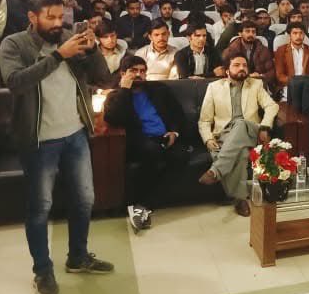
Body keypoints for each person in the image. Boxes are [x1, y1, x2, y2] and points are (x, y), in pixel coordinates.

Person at [0, 0, 115, 294]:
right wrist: (57, 56)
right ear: (32, 17)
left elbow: (104, 80)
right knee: (40, 208)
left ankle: (78, 257)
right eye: (49, 17)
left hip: (75, 133)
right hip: (38, 140)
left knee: (85, 199)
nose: (56, 23)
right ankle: (43, 271)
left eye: (60, 16)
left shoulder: (70, 37)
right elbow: (15, 82)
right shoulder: (15, 44)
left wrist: (92, 51)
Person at [103, 55, 188, 231]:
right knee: (152, 152)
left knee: (181, 156)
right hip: (139, 140)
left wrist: (175, 132)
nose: (139, 75)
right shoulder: (116, 96)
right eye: (134, 71)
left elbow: (178, 114)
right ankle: (139, 204)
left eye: (142, 71)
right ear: (123, 73)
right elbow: (113, 119)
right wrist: (125, 91)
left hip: (164, 137)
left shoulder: (159, 89)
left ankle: (143, 204)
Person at [197, 53, 280, 216]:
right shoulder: (214, 88)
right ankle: (240, 199)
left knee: (241, 123)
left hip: (250, 130)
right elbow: (204, 120)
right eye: (236, 65)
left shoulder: (256, 85)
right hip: (225, 135)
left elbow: (272, 106)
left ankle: (216, 171)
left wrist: (264, 126)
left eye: (244, 65)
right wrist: (208, 139)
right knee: (241, 153)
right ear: (227, 70)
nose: (242, 68)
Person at [223, 20, 277, 90]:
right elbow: (226, 71)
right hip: (237, 83)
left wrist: (260, 76)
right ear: (240, 33)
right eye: (247, 31)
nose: (251, 34)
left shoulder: (263, 50)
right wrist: (247, 77)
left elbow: (272, 72)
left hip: (259, 84)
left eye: (253, 32)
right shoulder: (231, 50)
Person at [274, 21, 309, 94]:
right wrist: (294, 82)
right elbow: (280, 75)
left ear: (304, 34)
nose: (298, 36)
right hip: (288, 86)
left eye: (301, 33)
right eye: (295, 33)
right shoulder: (281, 50)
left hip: (307, 87)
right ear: (289, 35)